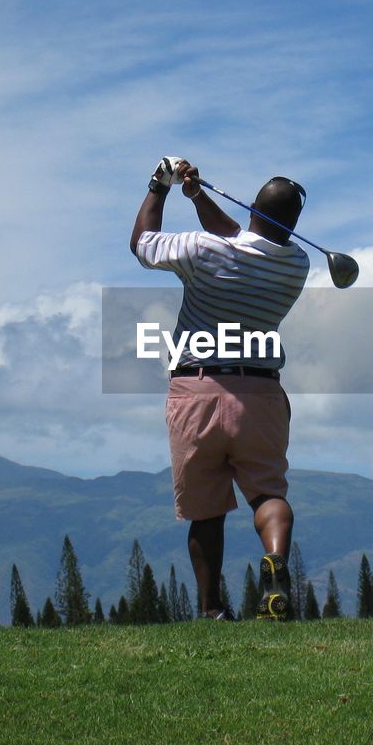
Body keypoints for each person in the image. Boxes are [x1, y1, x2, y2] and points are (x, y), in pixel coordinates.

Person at [130, 157, 310, 620]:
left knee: (205, 509)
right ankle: (275, 562)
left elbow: (143, 244)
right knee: (269, 496)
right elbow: (245, 239)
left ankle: (212, 610)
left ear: (252, 208)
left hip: (198, 391)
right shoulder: (297, 263)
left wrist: (161, 186)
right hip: (262, 395)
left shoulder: (202, 250)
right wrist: (198, 196)